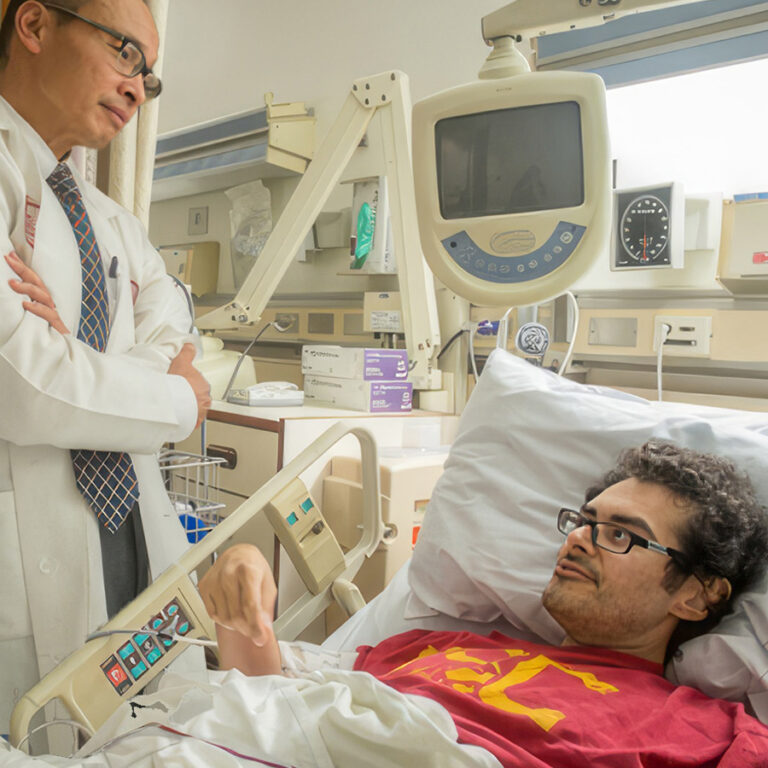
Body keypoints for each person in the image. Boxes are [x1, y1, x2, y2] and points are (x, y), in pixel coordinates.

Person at [199, 440, 768, 767]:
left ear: (697, 594)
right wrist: (240, 591)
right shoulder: (435, 644)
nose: (576, 538)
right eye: (583, 521)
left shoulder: (710, 731)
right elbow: (267, 702)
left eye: (620, 535)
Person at [0, 0, 212, 732]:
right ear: (34, 25)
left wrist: (87, 363)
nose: (136, 85)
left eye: (147, 74)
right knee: (47, 732)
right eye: (126, 51)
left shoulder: (107, 216)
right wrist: (176, 401)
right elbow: (21, 384)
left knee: (147, 721)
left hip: (131, 525)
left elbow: (174, 312)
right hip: (26, 540)